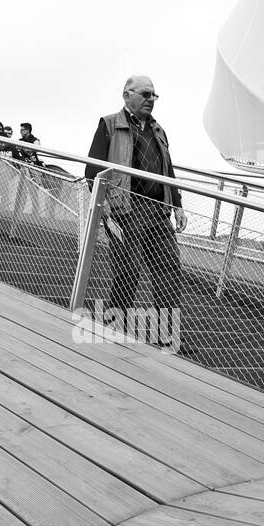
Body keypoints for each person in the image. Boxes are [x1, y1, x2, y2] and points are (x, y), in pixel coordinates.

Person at [84, 75, 188, 351]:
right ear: (126, 95)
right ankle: (113, 328)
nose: (151, 100)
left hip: (158, 210)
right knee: (127, 269)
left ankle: (167, 335)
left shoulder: (159, 131)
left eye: (154, 95)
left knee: (169, 270)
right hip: (124, 209)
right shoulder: (109, 124)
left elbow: (169, 170)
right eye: (145, 94)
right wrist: (103, 204)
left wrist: (177, 204)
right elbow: (93, 169)